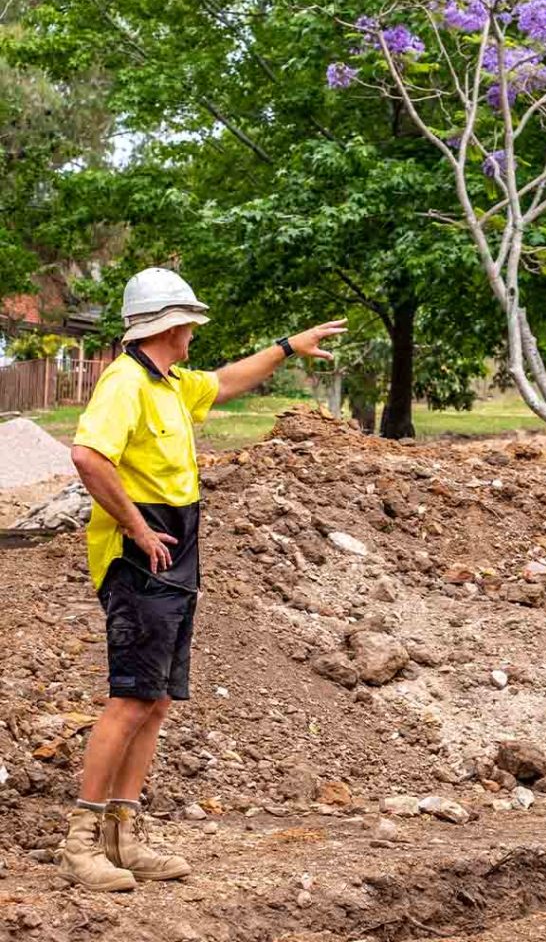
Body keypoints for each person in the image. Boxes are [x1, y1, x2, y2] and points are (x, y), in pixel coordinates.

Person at [56, 267, 346, 891]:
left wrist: (289, 346)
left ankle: (122, 836)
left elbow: (227, 382)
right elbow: (87, 455)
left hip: (175, 551)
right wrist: (134, 527)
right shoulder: (125, 384)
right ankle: (81, 844)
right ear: (172, 325)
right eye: (189, 322)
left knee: (155, 700)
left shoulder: (169, 384)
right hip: (142, 554)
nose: (194, 333)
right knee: (131, 695)